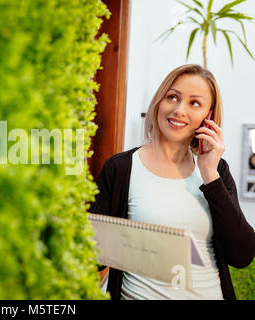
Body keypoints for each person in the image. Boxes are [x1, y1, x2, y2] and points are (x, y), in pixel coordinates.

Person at [91, 64, 255, 300]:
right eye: (172, 97)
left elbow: (241, 255)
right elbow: (94, 255)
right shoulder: (120, 168)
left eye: (194, 103)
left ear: (208, 116)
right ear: (159, 101)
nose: (179, 109)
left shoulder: (217, 170)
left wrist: (209, 174)